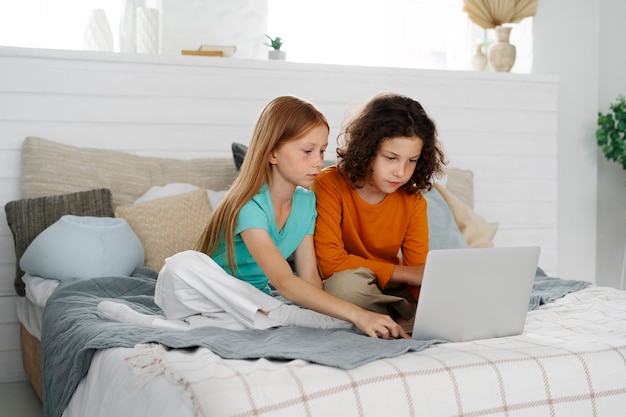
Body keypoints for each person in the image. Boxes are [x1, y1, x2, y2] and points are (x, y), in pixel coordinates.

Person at [108, 95, 406, 339]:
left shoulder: (307, 203)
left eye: (322, 150)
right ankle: (280, 316)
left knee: (259, 312)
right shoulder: (249, 205)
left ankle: (171, 327)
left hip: (250, 306)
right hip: (197, 296)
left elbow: (309, 279)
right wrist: (356, 313)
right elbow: (285, 283)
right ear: (272, 153)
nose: (318, 161)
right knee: (180, 265)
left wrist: (330, 312)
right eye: (307, 151)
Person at [311, 92, 447, 329]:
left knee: (444, 288)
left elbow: (419, 272)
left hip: (391, 288)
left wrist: (430, 296)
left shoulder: (413, 201)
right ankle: (403, 319)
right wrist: (406, 273)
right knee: (342, 287)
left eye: (412, 161)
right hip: (352, 281)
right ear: (368, 149)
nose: (401, 172)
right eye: (391, 158)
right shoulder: (329, 183)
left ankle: (410, 318)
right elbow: (330, 263)